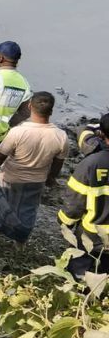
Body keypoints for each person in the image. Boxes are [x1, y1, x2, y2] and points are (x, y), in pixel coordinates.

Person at [0, 92, 67, 249]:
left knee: (2, 208)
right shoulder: (61, 136)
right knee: (28, 212)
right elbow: (58, 163)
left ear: (30, 106)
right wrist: (51, 178)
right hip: (37, 181)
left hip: (11, 178)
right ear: (51, 111)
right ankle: (20, 243)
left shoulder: (18, 131)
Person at [57, 114, 109, 279]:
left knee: (81, 276)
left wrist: (65, 223)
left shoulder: (91, 164)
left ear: (101, 134)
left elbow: (75, 204)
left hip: (92, 235)